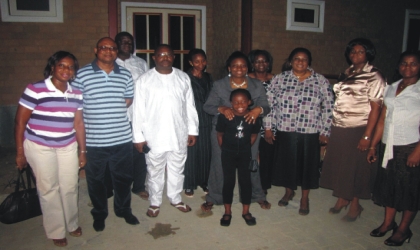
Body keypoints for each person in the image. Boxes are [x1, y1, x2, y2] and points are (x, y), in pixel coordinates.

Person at [15, 51, 86, 247]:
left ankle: (72, 224)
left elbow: (79, 124)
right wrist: (20, 151)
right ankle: (56, 229)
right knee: (49, 188)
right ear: (53, 67)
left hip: (67, 145)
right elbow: (20, 122)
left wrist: (82, 151)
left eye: (71, 67)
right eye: (62, 65)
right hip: (39, 146)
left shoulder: (76, 93)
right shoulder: (35, 89)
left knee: (70, 186)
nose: (66, 70)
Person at [72, 37, 139, 232]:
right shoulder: (81, 75)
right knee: (96, 180)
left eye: (112, 48)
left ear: (116, 52)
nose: (108, 51)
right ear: (96, 50)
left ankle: (123, 209)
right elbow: (77, 107)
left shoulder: (125, 75)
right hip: (94, 142)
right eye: (104, 48)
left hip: (122, 139)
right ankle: (100, 213)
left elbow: (128, 100)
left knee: (123, 179)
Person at [320, 38, 386, 221]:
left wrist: (367, 136)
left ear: (368, 54)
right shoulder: (348, 72)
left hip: (359, 127)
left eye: (360, 51)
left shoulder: (374, 76)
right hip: (340, 126)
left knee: (356, 168)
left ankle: (355, 205)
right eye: (352, 51)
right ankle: (343, 198)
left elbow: (376, 108)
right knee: (341, 166)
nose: (355, 55)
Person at [265, 47, 334, 215]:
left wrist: (326, 131)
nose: (300, 62)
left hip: (310, 131)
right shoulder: (279, 80)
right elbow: (269, 105)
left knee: (307, 166)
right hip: (285, 128)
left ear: (309, 62)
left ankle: (304, 197)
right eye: (296, 58)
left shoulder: (320, 81)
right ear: (290, 61)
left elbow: (329, 107)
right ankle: (289, 191)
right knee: (287, 163)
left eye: (304, 59)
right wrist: (268, 127)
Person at [132, 44, 199, 218]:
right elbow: (137, 110)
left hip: (179, 132)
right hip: (154, 134)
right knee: (155, 169)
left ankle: (175, 198)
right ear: (154, 58)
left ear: (174, 57)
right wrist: (138, 137)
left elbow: (190, 107)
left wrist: (193, 130)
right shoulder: (144, 80)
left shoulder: (183, 78)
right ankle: (154, 201)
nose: (165, 57)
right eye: (160, 54)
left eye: (168, 54)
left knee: (177, 167)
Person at [202, 51, 271, 212]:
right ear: (229, 68)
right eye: (235, 65)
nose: (239, 68)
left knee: (251, 162)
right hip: (222, 132)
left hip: (249, 131)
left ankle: (257, 195)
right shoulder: (219, 85)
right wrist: (222, 108)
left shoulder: (256, 84)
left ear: (247, 67)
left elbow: (266, 106)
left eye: (243, 65)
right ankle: (215, 196)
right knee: (219, 163)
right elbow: (208, 106)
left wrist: (258, 110)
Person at [367, 50, 420, 246]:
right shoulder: (391, 87)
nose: (408, 67)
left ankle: (404, 230)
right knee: (389, 186)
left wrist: (418, 151)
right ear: (398, 66)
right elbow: (382, 119)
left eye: (413, 63)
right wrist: (373, 146)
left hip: (411, 146)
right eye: (404, 63)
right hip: (388, 145)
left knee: (409, 190)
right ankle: (388, 223)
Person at [217, 89, 260, 226]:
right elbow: (220, 134)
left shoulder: (253, 117)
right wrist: (225, 149)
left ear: (249, 102)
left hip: (244, 153)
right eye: (235, 102)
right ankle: (227, 211)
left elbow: (254, 135)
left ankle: (246, 211)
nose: (239, 104)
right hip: (228, 153)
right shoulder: (224, 117)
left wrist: (245, 147)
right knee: (228, 182)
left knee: (245, 181)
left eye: (243, 101)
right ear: (230, 103)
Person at [115, 31, 150, 200]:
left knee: (139, 152)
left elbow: (149, 87)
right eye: (123, 41)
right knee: (120, 154)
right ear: (116, 44)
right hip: (118, 117)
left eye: (130, 42)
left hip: (139, 115)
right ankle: (118, 187)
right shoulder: (110, 63)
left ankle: (138, 186)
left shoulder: (141, 63)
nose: (127, 44)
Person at [183, 48, 213, 197]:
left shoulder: (209, 77)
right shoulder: (184, 78)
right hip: (191, 120)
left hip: (207, 119)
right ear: (190, 62)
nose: (200, 64)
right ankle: (189, 184)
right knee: (191, 154)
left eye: (203, 60)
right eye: (196, 61)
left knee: (206, 153)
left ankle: (205, 181)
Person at [248, 49, 275, 195]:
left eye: (264, 61)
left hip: (270, 121)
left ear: (269, 63)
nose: (261, 64)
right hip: (250, 120)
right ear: (252, 63)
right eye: (257, 61)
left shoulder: (276, 79)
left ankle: (264, 184)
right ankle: (249, 182)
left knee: (266, 154)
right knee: (250, 153)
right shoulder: (246, 79)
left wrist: (269, 125)